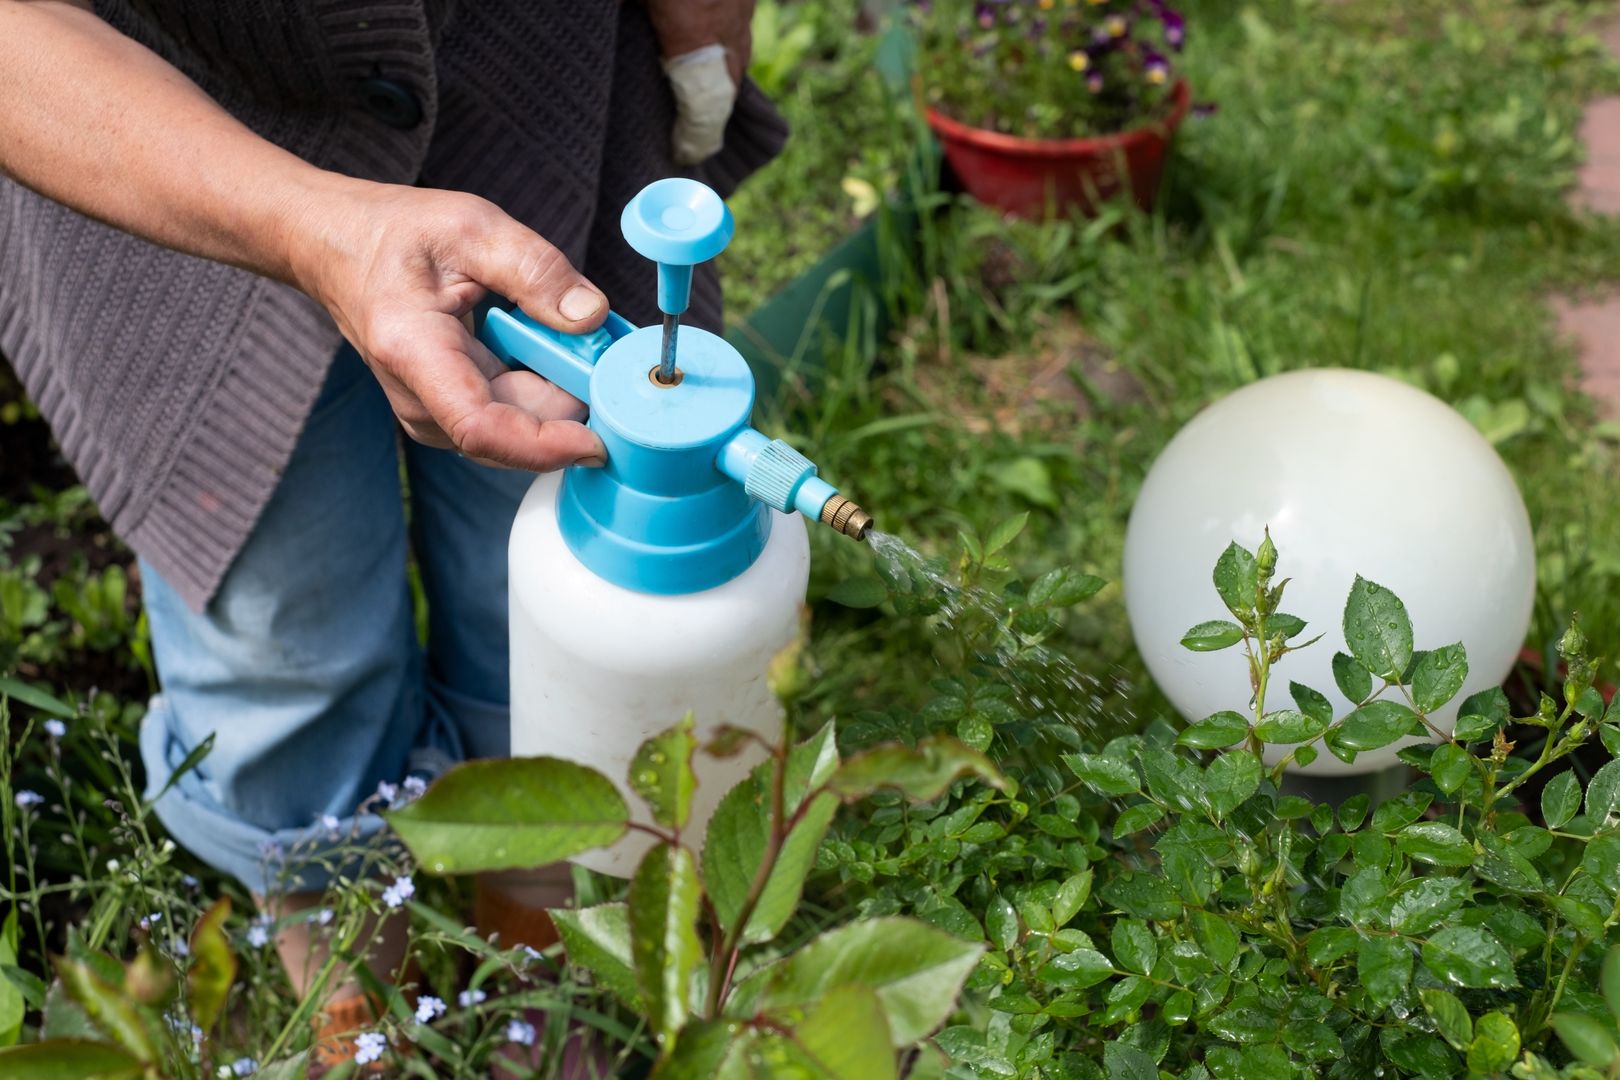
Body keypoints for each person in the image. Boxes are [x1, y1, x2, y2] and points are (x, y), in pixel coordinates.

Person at [0, 0, 783, 1070]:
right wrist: (307, 226)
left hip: (524, 76)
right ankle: (357, 1004)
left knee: (558, 587)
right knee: (282, 636)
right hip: (139, 142)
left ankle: (545, 960)